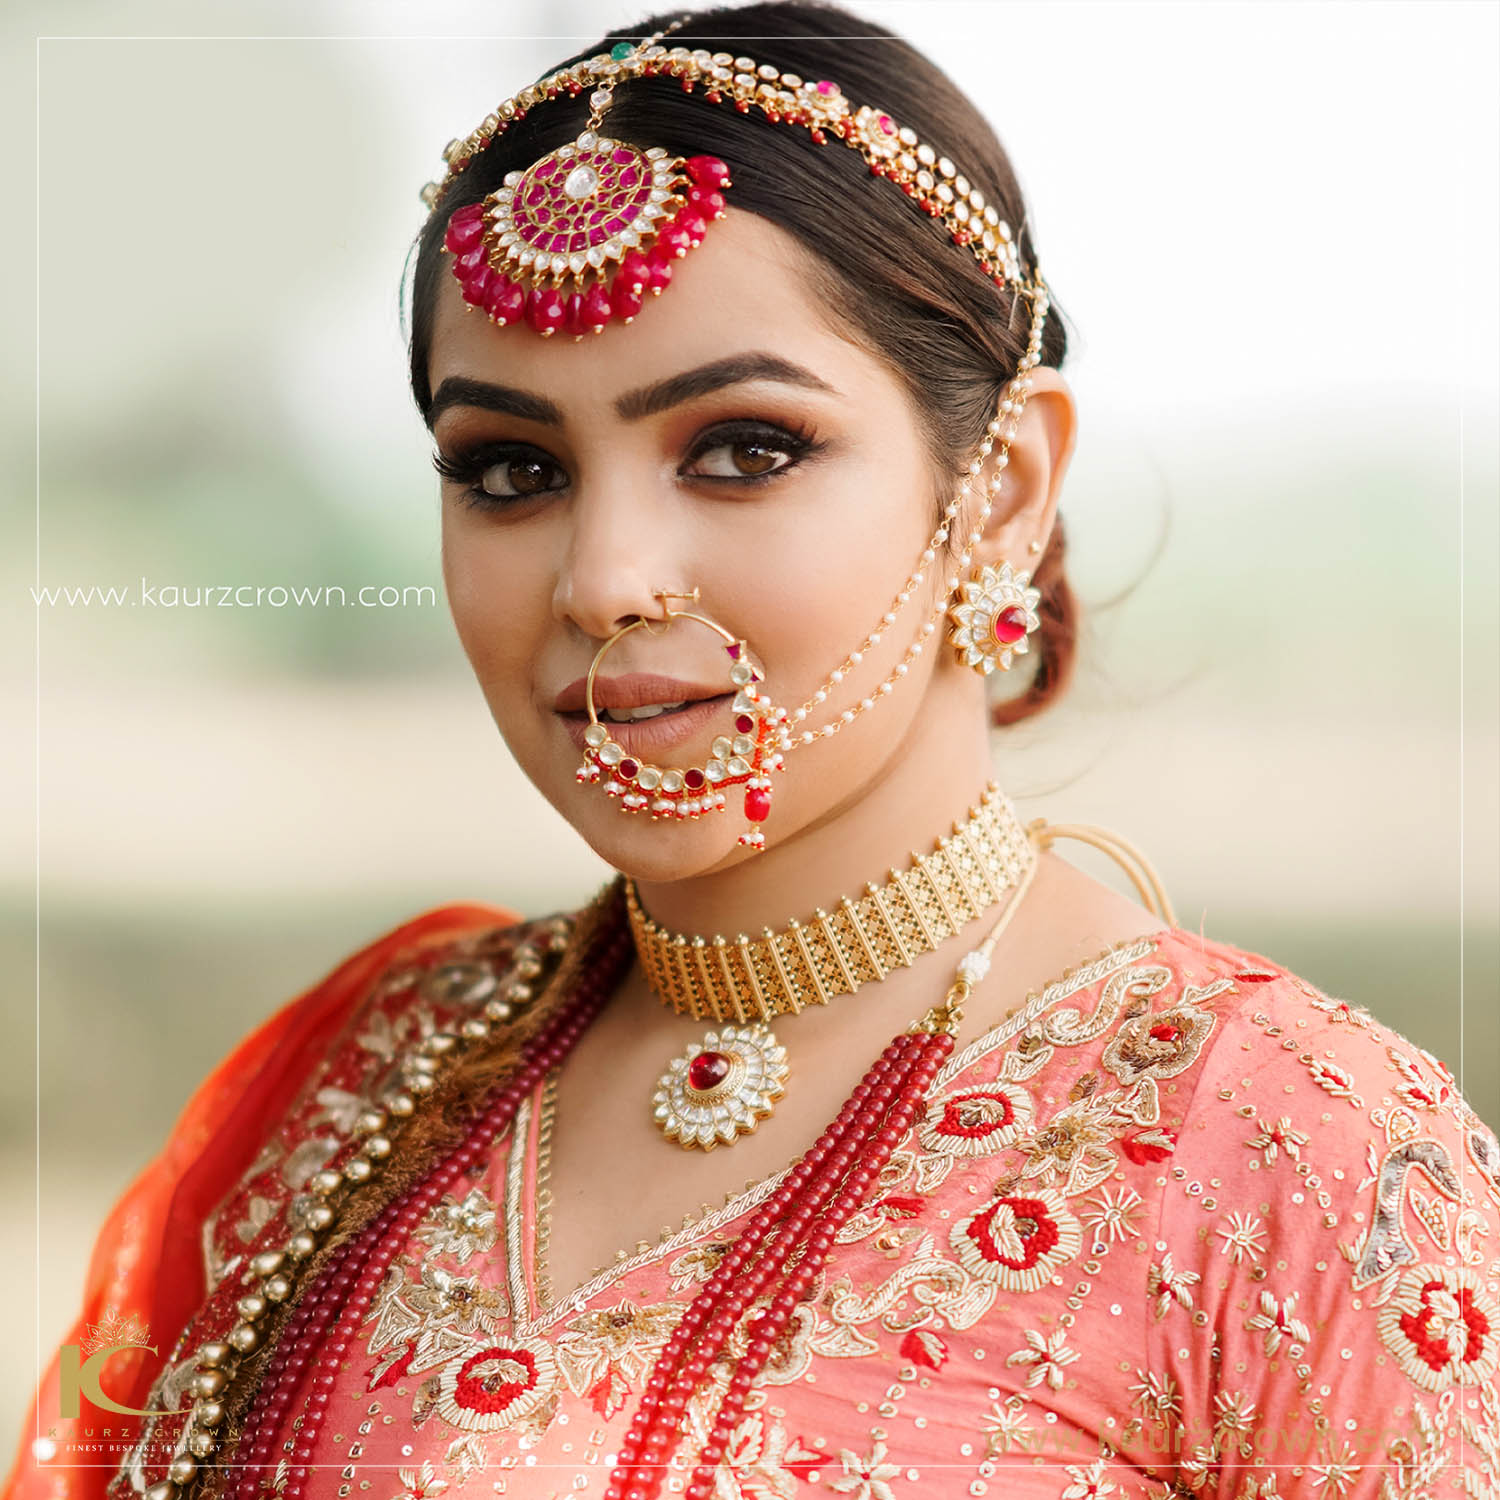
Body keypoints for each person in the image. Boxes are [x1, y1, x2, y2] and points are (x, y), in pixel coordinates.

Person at [9, 4, 1498, 1498]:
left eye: (743, 448)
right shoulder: (382, 1071)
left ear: (1001, 492)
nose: (603, 578)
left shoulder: (1290, 1151)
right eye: (511, 471)